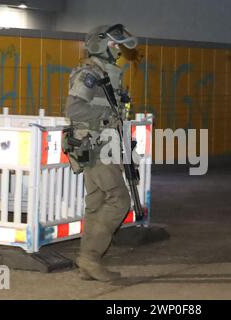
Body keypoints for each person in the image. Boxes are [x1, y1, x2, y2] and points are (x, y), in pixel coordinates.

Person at [64, 24, 139, 282]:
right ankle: (90, 258)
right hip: (95, 146)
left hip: (103, 144)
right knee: (119, 200)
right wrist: (108, 116)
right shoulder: (90, 72)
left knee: (96, 203)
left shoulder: (107, 72)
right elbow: (74, 109)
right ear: (98, 44)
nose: (118, 48)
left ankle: (88, 264)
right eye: (113, 43)